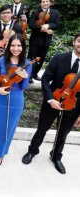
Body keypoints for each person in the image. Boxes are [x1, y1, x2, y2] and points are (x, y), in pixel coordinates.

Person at [22, 33, 80, 174]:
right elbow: (45, 79)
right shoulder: (59, 58)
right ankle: (32, 150)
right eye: (79, 41)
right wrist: (50, 99)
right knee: (42, 128)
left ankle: (56, 156)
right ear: (74, 42)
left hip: (73, 105)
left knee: (63, 133)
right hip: (53, 99)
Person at [0, 34, 32, 168]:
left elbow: (23, 87)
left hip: (16, 100)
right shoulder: (2, 60)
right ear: (8, 46)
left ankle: (0, 154)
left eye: (19, 45)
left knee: (9, 128)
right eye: (13, 45)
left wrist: (25, 78)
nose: (16, 48)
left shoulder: (27, 64)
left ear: (23, 47)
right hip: (0, 97)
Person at [27, 0, 60, 82]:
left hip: (46, 40)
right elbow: (31, 24)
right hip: (35, 39)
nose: (45, 3)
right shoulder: (36, 12)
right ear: (40, 3)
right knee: (32, 58)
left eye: (47, 1)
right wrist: (43, 29)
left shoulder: (55, 13)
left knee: (41, 58)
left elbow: (57, 24)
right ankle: (29, 75)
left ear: (50, 2)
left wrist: (48, 25)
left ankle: (35, 74)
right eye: (43, 2)